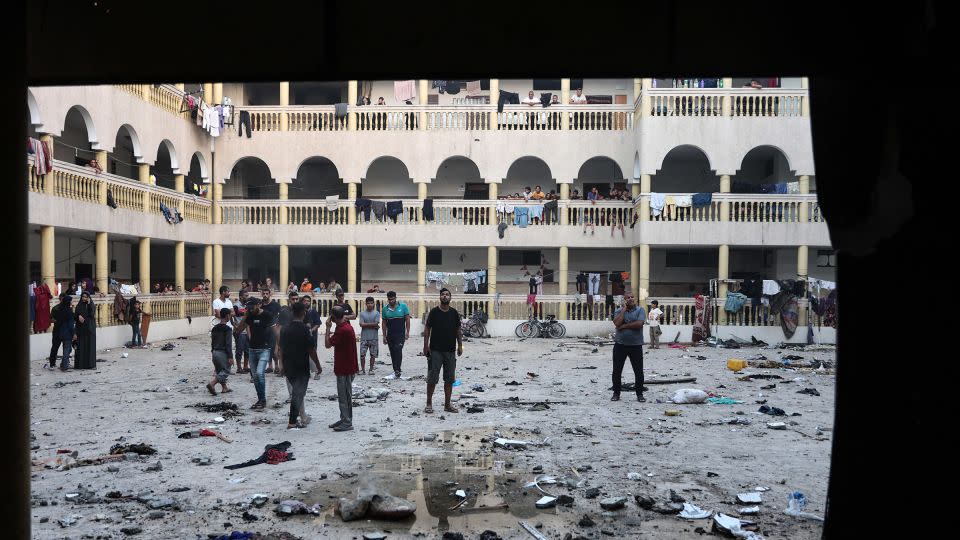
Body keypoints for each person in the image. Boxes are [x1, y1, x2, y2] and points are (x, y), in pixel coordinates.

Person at [280, 302, 323, 429]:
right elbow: (311, 350)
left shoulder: (285, 329)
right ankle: (292, 422)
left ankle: (297, 419)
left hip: (289, 366)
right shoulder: (305, 329)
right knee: (298, 394)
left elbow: (281, 349)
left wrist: (282, 365)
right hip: (301, 366)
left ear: (292, 313)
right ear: (303, 314)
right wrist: (318, 366)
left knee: (297, 393)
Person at [422, 288, 463, 414]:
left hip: (450, 351)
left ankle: (447, 405)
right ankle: (429, 403)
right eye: (443, 294)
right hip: (435, 351)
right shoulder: (434, 312)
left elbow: (458, 330)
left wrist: (460, 345)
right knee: (432, 378)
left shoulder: (454, 313)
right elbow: (427, 328)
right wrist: (425, 346)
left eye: (447, 295)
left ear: (450, 298)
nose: (445, 296)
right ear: (440, 297)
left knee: (449, 379)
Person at [235, 297, 273, 409]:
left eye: (252, 307)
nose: (251, 310)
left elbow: (275, 331)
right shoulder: (250, 315)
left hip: (265, 349)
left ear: (259, 305)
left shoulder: (267, 315)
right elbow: (238, 330)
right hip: (252, 349)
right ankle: (261, 399)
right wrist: (245, 316)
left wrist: (277, 347)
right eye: (249, 308)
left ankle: (262, 400)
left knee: (260, 373)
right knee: (256, 376)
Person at [325, 305, 358, 432]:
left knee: (343, 397)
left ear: (333, 317)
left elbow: (327, 344)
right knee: (347, 395)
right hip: (349, 366)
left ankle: (347, 422)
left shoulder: (342, 330)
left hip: (344, 368)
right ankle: (345, 418)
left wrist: (328, 328)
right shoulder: (346, 326)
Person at [611, 291, 646, 402]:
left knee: (638, 371)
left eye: (632, 297)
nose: (630, 299)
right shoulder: (618, 311)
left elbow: (639, 324)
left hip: (636, 346)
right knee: (617, 371)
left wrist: (624, 326)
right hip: (620, 345)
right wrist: (624, 310)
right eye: (628, 297)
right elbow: (617, 323)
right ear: (624, 300)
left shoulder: (640, 310)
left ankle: (639, 394)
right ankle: (616, 394)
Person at [382, 291, 411, 380]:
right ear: (388, 299)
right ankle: (395, 370)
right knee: (393, 352)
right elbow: (384, 323)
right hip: (390, 335)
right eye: (389, 299)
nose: (391, 301)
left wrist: (407, 332)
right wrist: (384, 335)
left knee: (398, 350)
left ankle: (397, 370)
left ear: (396, 298)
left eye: (393, 299)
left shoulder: (403, 307)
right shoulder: (385, 309)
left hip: (400, 334)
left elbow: (407, 320)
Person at [207, 307, 234, 396]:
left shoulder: (215, 328)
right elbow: (228, 344)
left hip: (215, 352)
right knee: (226, 370)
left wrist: (212, 352)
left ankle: (224, 388)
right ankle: (212, 383)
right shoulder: (228, 329)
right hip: (223, 353)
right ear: (227, 316)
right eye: (230, 315)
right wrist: (230, 356)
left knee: (219, 371)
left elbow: (212, 342)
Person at [47, 294, 75, 371]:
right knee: (58, 348)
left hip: (60, 330)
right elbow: (51, 319)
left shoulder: (65, 308)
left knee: (63, 348)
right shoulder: (56, 309)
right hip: (59, 331)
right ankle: (55, 364)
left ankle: (62, 363)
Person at [275, 291, 300, 376]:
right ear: (289, 300)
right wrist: (278, 344)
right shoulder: (284, 311)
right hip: (286, 337)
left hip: (297, 337)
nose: (295, 301)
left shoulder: (301, 311)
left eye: (297, 299)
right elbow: (279, 327)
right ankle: (282, 369)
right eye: (293, 299)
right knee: (283, 354)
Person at [299, 293, 323, 377]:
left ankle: (316, 372)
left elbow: (317, 324)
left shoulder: (314, 312)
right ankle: (306, 372)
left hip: (311, 336)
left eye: (308, 301)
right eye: (304, 301)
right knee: (303, 354)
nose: (306, 302)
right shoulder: (299, 313)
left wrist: (310, 331)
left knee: (313, 354)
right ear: (302, 302)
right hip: (301, 337)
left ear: (310, 302)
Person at [73, 291, 97, 369]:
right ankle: (80, 365)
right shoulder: (79, 305)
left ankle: (90, 365)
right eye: (83, 296)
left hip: (89, 329)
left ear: (89, 298)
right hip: (80, 329)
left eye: (86, 297)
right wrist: (78, 316)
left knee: (89, 347)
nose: (84, 298)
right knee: (80, 347)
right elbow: (75, 316)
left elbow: (92, 314)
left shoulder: (91, 305)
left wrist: (89, 303)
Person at [260, 287, 281, 373]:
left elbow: (280, 315)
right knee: (266, 348)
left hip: (274, 328)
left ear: (269, 294)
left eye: (266, 294)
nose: (265, 295)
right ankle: (270, 366)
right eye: (264, 294)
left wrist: (278, 326)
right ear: (262, 294)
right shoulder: (260, 305)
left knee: (274, 348)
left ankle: (276, 366)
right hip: (264, 329)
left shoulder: (275, 305)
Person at [357, 296, 381, 375]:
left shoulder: (377, 313)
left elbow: (376, 323)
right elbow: (361, 324)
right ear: (366, 304)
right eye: (368, 303)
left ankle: (371, 369)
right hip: (364, 338)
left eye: (371, 303)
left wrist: (367, 324)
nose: (370, 305)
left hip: (374, 338)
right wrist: (374, 325)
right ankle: (363, 370)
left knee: (373, 355)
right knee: (362, 355)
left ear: (373, 303)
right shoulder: (362, 313)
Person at [233, 289, 250, 374]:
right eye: (246, 296)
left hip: (247, 330)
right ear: (240, 297)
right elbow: (232, 316)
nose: (247, 297)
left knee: (247, 350)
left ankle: (246, 366)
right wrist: (234, 325)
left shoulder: (248, 305)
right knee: (239, 350)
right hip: (240, 331)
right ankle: (239, 367)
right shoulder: (236, 305)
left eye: (247, 295)